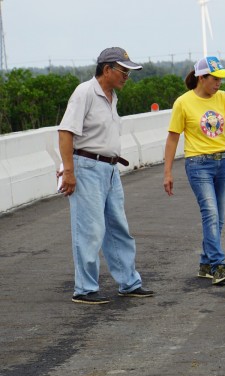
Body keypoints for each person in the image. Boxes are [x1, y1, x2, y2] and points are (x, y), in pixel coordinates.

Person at [58, 47, 154, 304]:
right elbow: (66, 132)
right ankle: (85, 289)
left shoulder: (111, 97)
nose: (127, 76)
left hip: (110, 169)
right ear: (107, 69)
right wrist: (68, 171)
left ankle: (129, 282)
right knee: (89, 230)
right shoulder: (85, 92)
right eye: (123, 71)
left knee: (117, 227)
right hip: (87, 166)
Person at [163, 56, 225, 285]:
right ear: (201, 78)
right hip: (198, 164)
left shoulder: (224, 98)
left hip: (224, 162)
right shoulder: (183, 103)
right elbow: (173, 138)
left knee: (220, 217)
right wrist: (167, 172)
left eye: (220, 79)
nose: (219, 84)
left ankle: (206, 263)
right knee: (211, 214)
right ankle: (218, 266)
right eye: (214, 79)